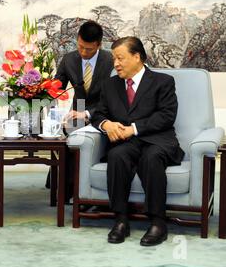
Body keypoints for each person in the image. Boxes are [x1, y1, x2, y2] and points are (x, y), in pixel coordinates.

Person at [92, 36, 184, 246]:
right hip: (127, 144)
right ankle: (121, 220)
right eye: (114, 58)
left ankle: (158, 223)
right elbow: (98, 115)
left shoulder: (163, 82)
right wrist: (107, 125)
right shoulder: (110, 85)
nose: (115, 64)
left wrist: (133, 129)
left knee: (151, 159)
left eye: (120, 58)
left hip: (157, 140)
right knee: (116, 155)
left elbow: (167, 115)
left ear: (137, 57)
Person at [46, 20, 114, 202]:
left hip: (104, 112)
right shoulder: (69, 59)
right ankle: (67, 191)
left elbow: (115, 98)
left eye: (89, 49)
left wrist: (88, 114)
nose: (83, 52)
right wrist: (40, 89)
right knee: (68, 136)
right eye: (80, 47)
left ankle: (82, 192)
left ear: (99, 45)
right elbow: (57, 86)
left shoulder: (111, 61)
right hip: (77, 111)